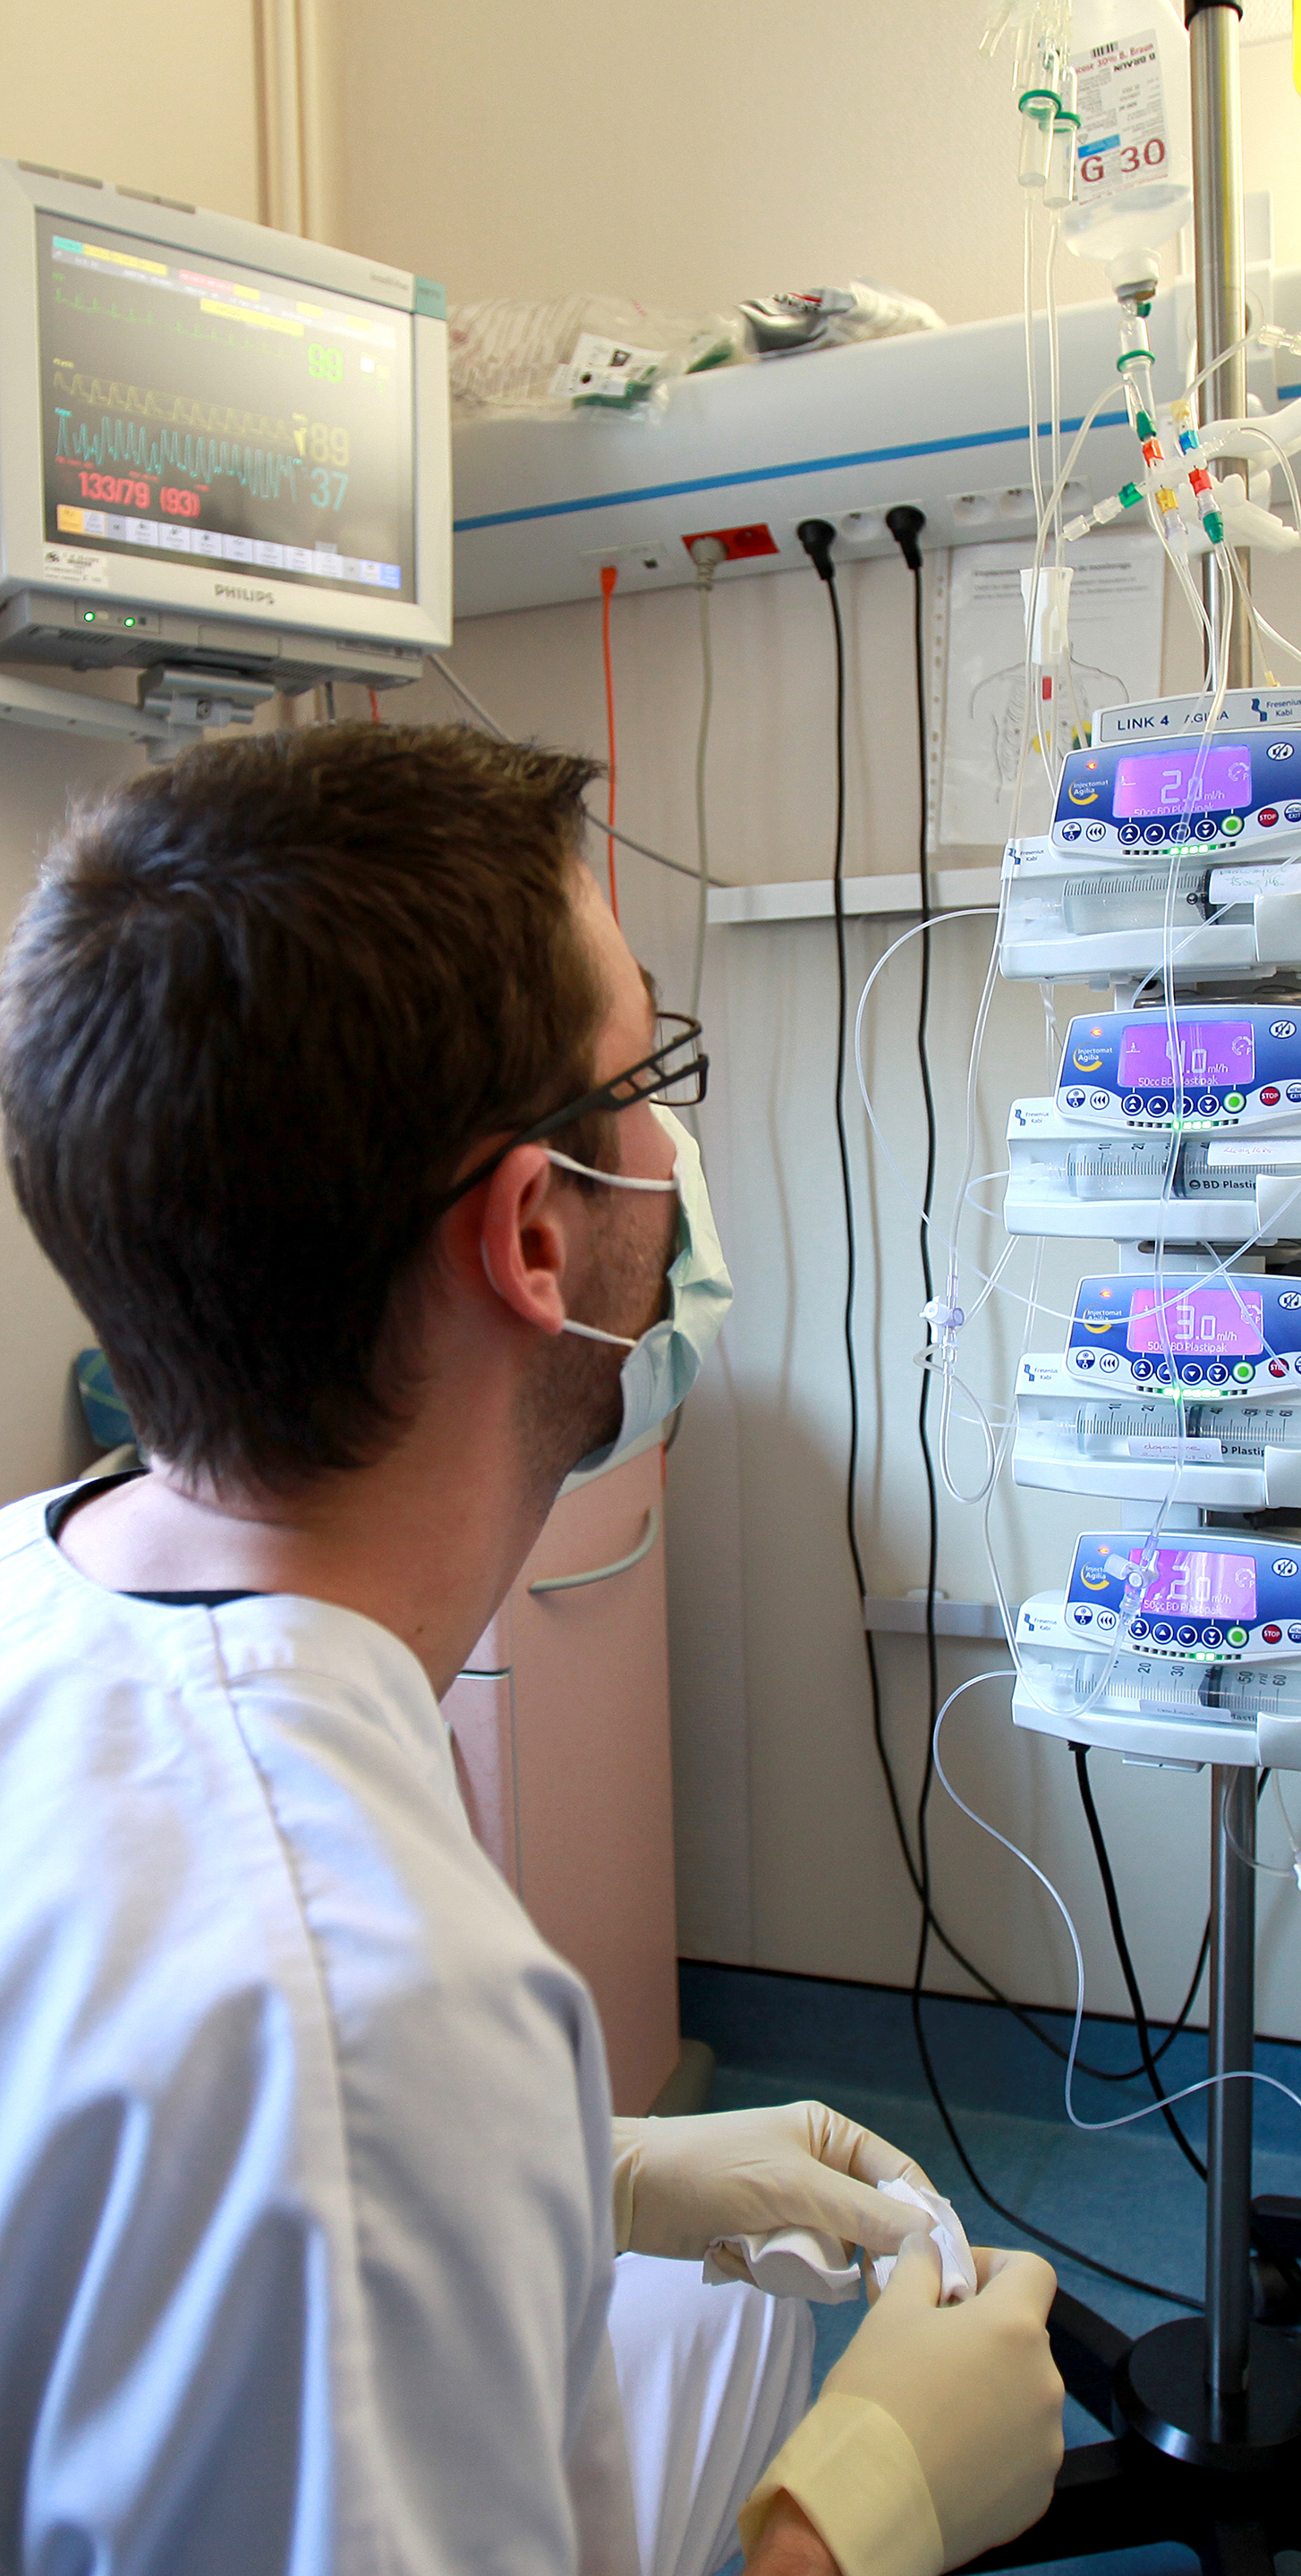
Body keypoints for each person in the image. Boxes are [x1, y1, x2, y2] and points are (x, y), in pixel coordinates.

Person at [0, 724, 1064, 2576]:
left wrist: (603, 2166)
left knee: (722, 2314)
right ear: (537, 1239)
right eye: (650, 1075)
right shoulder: (372, 2009)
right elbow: (325, 2103)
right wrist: (853, 2527)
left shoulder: (49, 1579)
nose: (676, 1146)